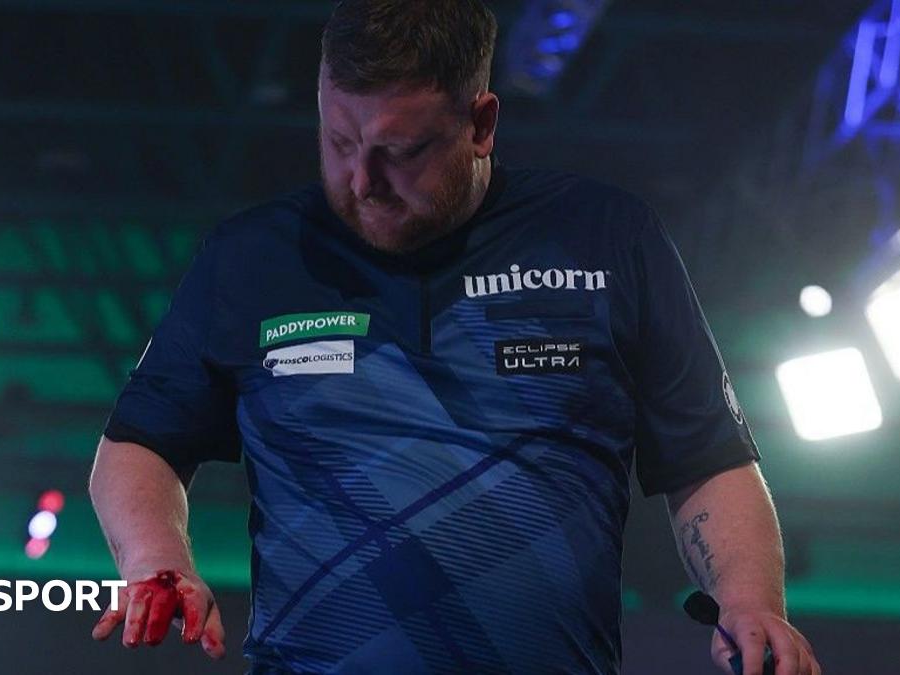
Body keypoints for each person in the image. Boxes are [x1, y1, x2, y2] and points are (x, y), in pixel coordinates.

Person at [88, 1, 821, 674]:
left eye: (399, 151)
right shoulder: (253, 258)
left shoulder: (606, 238)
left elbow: (708, 457)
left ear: (482, 123)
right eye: (339, 139)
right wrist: (158, 559)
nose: (362, 179)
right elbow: (137, 444)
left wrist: (751, 601)